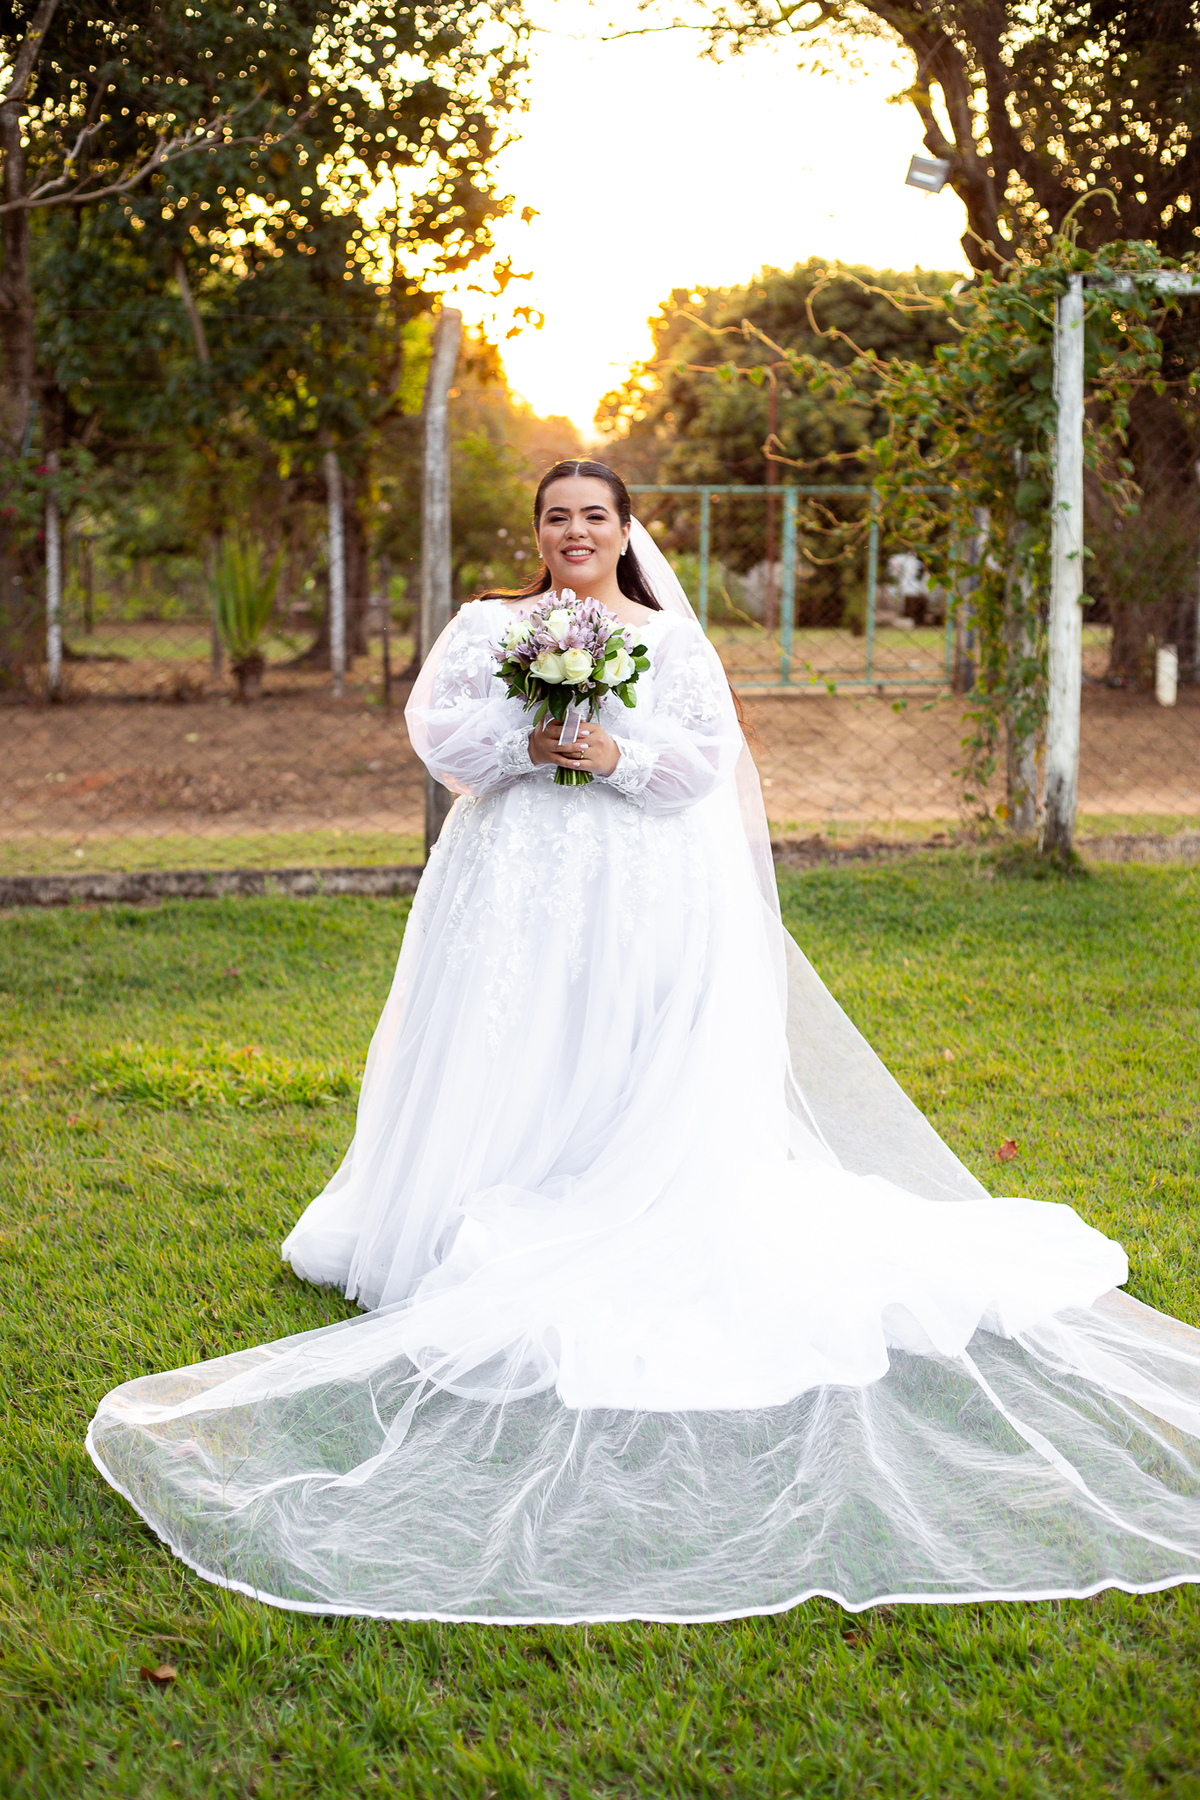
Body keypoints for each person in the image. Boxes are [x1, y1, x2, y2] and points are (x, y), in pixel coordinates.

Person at [88, 460, 1200, 1623]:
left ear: (625, 531)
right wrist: (530, 743)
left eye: (594, 516)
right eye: (555, 517)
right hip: (511, 871)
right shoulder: (491, 625)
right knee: (503, 1037)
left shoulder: (669, 641)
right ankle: (475, 1196)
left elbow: (707, 760)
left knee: (616, 1042)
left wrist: (615, 758)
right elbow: (441, 729)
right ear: (536, 532)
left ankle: (604, 1190)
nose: (574, 532)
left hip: (636, 881)